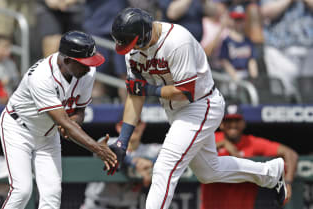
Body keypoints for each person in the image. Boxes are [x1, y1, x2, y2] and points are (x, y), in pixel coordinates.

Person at [108, 8, 289, 209]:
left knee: (164, 167)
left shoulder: (177, 40)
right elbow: (135, 95)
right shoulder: (131, 52)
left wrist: (149, 89)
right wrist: (122, 143)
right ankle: (271, 173)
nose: (132, 49)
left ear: (145, 33)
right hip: (175, 110)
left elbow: (186, 91)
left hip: (200, 104)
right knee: (209, 172)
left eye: (133, 43)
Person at [0, 31, 117, 209]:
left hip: (48, 134)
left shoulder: (87, 73)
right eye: (84, 63)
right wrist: (97, 148)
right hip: (19, 129)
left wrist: (74, 122)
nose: (89, 68)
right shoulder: (41, 77)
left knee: (52, 194)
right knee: (22, 191)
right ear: (67, 60)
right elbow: (64, 122)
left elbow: (79, 111)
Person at [201, 104, 299, 209]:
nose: (233, 125)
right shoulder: (211, 139)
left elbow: (290, 154)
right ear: (221, 124)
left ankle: (274, 171)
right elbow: (192, 150)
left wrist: (287, 183)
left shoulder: (251, 142)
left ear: (243, 123)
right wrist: (222, 144)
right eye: (228, 121)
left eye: (236, 121)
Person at [81, 120, 162, 209]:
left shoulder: (149, 150)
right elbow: (101, 145)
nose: (133, 126)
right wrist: (134, 163)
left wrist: (152, 163)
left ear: (143, 126)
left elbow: (173, 153)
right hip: (98, 204)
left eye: (137, 123)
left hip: (128, 206)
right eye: (127, 124)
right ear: (119, 127)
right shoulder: (110, 142)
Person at [220, 5, 258, 82]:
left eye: (241, 19)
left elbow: (252, 61)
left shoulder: (248, 41)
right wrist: (235, 77)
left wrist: (254, 79)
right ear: (231, 20)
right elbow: (224, 62)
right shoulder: (226, 40)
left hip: (246, 75)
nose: (239, 23)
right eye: (236, 19)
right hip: (231, 77)